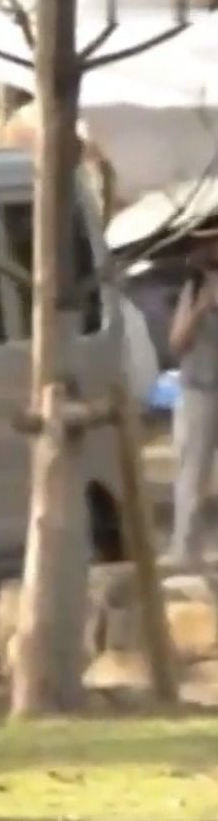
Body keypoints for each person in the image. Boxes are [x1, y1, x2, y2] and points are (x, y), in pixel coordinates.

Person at [167, 228, 218, 568]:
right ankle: (186, 561)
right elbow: (176, 343)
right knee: (192, 480)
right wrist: (200, 309)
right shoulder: (194, 288)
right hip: (198, 391)